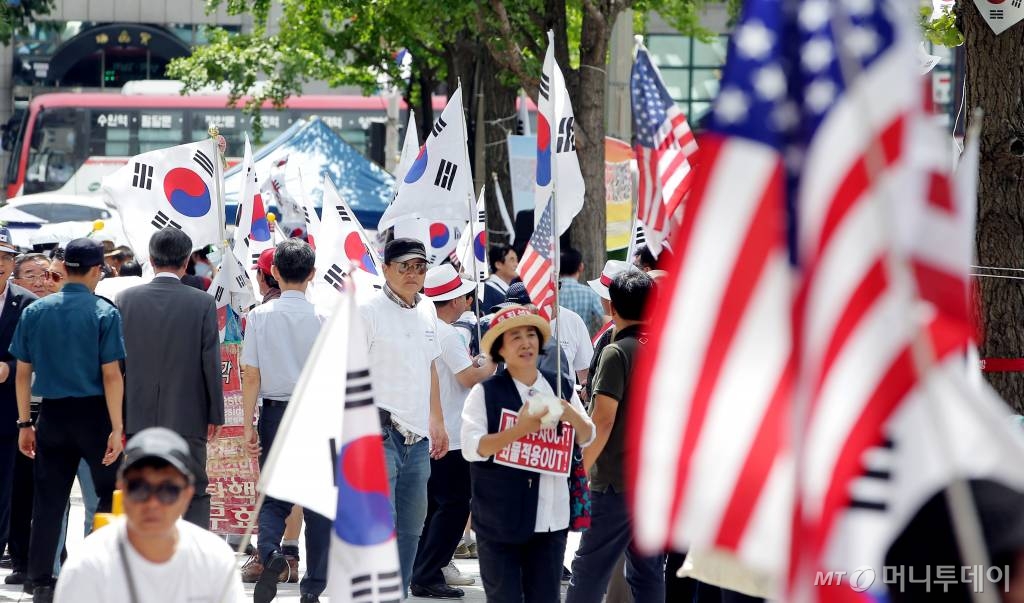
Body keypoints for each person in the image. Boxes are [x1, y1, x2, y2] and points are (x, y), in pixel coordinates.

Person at [11, 237, 125, 603]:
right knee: (108, 495)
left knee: (49, 501)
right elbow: (112, 375)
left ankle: (41, 581)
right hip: (94, 415)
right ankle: (98, 573)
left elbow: (22, 373)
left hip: (53, 415)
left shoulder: (35, 311)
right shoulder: (103, 312)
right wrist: (117, 427)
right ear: (96, 270)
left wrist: (24, 423)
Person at [461, 304, 595, 602]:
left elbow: (588, 436)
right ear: (500, 349)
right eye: (515, 337)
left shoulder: (560, 385)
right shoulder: (486, 393)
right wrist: (520, 429)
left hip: (551, 520)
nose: (525, 343)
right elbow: (473, 447)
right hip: (499, 520)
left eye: (531, 335)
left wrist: (569, 413)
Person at [53, 427, 245, 603]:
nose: (153, 503)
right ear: (122, 489)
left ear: (187, 494)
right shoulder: (88, 565)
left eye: (168, 490)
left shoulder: (214, 560)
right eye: (139, 488)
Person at [567, 271, 664, 602]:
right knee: (648, 572)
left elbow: (603, 420)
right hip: (653, 480)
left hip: (614, 481)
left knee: (589, 568)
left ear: (612, 306)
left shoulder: (617, 352)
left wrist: (580, 470)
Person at [117, 227, 223, 528]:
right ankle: (193, 551)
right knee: (194, 488)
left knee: (139, 486)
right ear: (187, 260)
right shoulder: (202, 302)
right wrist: (215, 413)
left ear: (151, 259)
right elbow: (210, 361)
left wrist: (117, 417)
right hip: (189, 414)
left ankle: (141, 548)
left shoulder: (125, 300)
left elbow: (116, 365)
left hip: (136, 414)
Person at [358, 237, 449, 594]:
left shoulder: (428, 309)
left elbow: (430, 367)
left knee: (412, 527)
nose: (413, 273)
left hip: (418, 437)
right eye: (404, 266)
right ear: (385, 269)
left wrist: (437, 421)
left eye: (420, 267)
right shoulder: (367, 311)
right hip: (378, 433)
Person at [241, 239, 328, 603]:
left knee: (275, 498)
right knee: (319, 504)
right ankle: (314, 587)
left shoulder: (259, 316)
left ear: (274, 272)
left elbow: (251, 375)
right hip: (317, 414)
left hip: (276, 413)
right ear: (312, 274)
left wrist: (247, 425)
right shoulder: (326, 316)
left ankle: (270, 551)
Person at [410, 265, 496, 599]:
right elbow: (468, 377)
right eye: (464, 295)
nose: (468, 300)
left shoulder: (428, 329)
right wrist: (492, 361)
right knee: (454, 506)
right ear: (456, 300)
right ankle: (429, 571)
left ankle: (424, 570)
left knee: (436, 507)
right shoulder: (445, 333)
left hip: (435, 429)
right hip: (452, 433)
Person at [0, 232, 37, 582]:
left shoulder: (26, 304)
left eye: (5, 257)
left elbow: (34, 353)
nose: (0, 264)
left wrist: (9, 368)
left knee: (5, 490)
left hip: (8, 412)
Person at [558, 247, 604, 337]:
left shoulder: (550, 293)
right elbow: (607, 318)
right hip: (581, 343)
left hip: (553, 344)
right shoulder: (590, 293)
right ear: (581, 267)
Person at [481, 245, 519, 315]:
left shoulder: (511, 290)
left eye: (517, 260)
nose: (516, 264)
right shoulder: (487, 290)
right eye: (512, 260)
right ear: (498, 264)